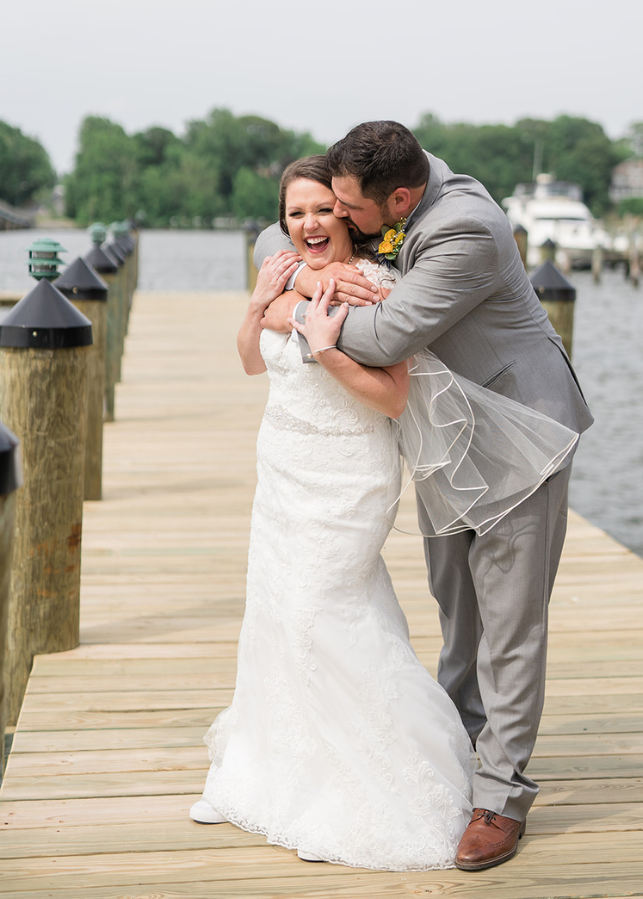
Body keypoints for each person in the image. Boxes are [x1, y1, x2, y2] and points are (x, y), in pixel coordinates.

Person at [253, 122, 593, 871]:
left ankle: (502, 797)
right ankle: (458, 752)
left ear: (399, 198)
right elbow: (268, 239)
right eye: (333, 205)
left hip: (519, 434)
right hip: (442, 432)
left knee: (509, 621)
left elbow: (382, 338)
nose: (336, 221)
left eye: (349, 212)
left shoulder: (467, 228)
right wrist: (310, 278)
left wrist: (291, 307)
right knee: (455, 606)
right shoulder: (379, 185)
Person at [192, 157, 475, 869]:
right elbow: (252, 363)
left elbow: (393, 398)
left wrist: (327, 349)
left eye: (322, 210)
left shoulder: (378, 285)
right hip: (282, 467)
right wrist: (261, 301)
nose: (310, 224)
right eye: (296, 214)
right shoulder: (284, 271)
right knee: (277, 612)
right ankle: (274, 774)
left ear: (348, 213)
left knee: (324, 610)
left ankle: (374, 782)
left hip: (349, 473)